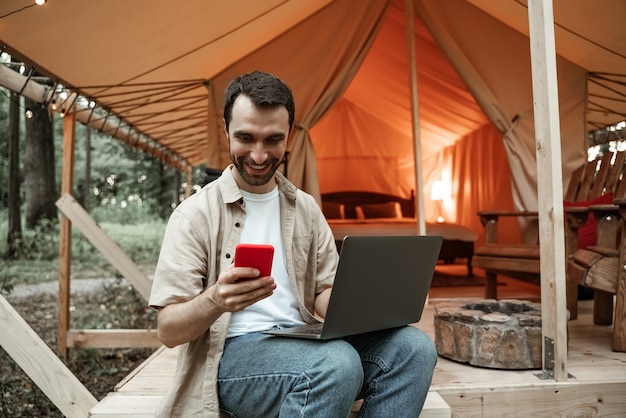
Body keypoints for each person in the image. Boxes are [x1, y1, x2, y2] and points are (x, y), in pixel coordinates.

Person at [148, 70, 438, 417]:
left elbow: (324, 291)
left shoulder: (305, 207)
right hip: (231, 357)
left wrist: (376, 304)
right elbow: (168, 330)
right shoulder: (194, 215)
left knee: (415, 348)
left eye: (273, 140)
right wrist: (215, 299)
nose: (258, 155)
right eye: (246, 138)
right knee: (335, 363)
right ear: (226, 131)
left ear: (289, 138)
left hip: (302, 339)